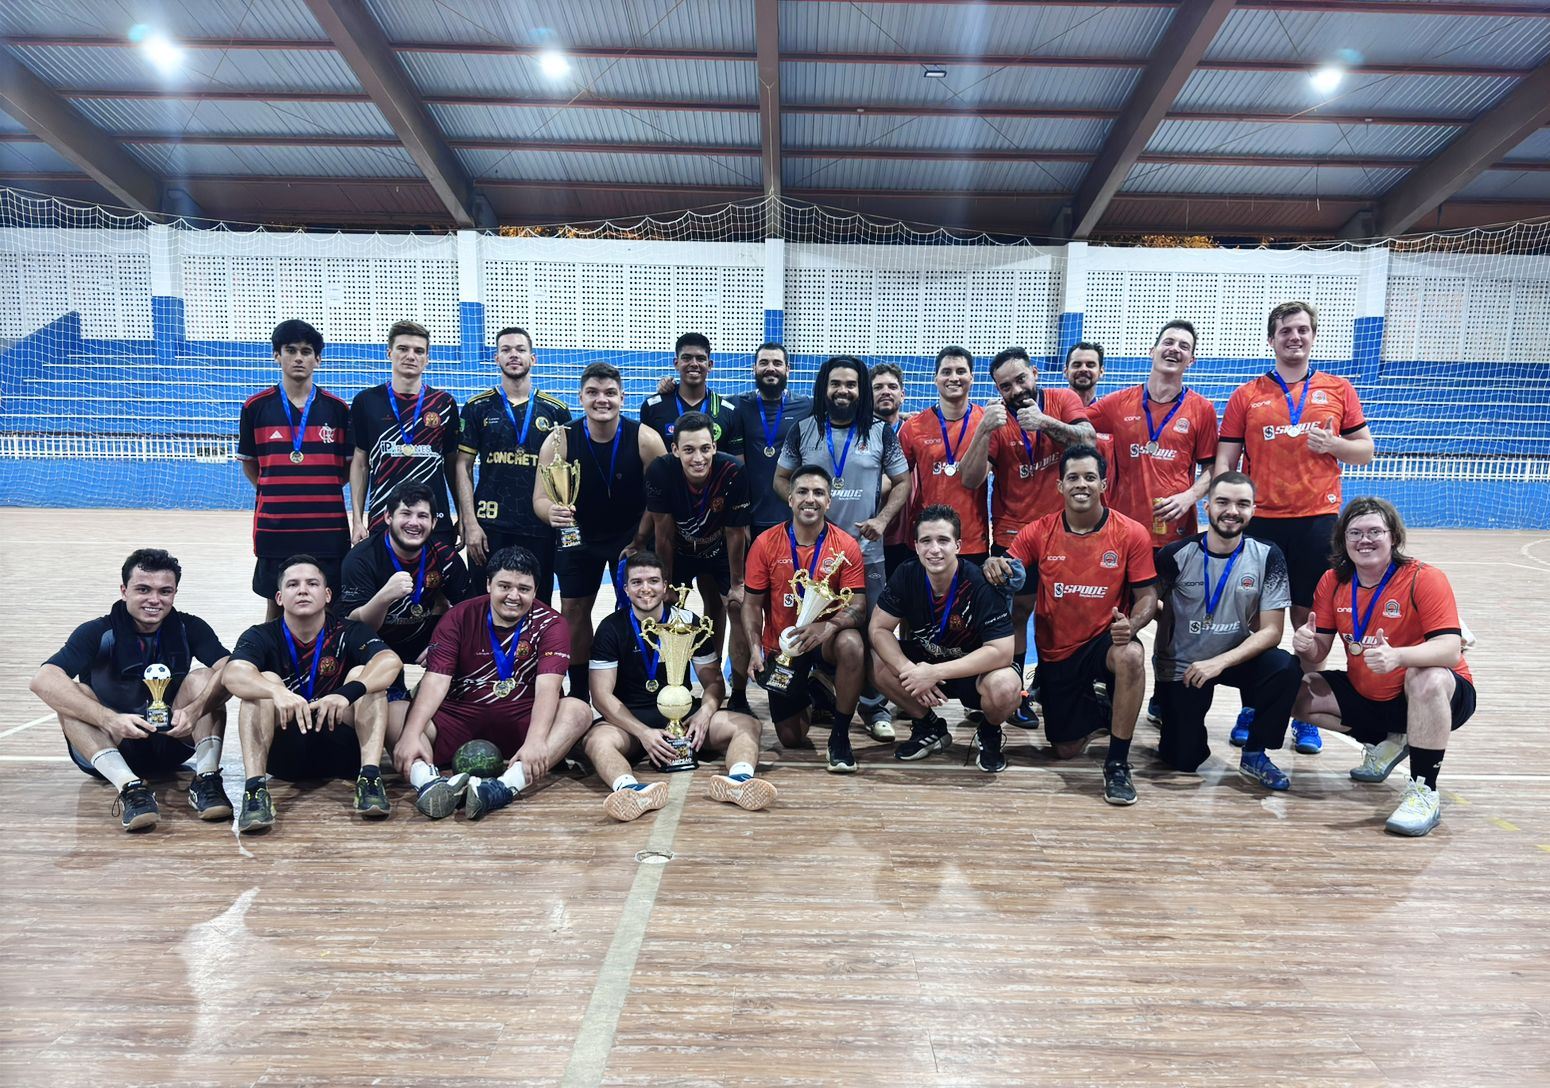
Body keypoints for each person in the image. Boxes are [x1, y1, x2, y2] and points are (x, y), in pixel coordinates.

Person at [1216, 301, 1376, 755]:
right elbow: (1227, 460)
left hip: (1317, 521)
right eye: (1286, 330)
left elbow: (1365, 450)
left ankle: (1304, 712)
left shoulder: (1338, 389)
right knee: (1253, 619)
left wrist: (1335, 443)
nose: (1295, 337)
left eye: (1303, 330)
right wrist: (1227, 506)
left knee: (1311, 621)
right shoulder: (1246, 395)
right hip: (1261, 520)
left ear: (1313, 337)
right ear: (1272, 339)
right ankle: (1254, 704)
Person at [1279, 498, 1475, 837]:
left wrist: (1399, 657)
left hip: (1439, 695)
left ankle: (1424, 791)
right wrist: (1307, 644)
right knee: (1291, 690)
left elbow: (1448, 650)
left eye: (1374, 531)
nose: (1364, 540)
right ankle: (1391, 741)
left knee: (1424, 677)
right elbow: (1321, 647)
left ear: (1393, 537)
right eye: (1355, 532)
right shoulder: (1332, 580)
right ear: (1343, 540)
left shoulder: (1424, 578)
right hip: (1371, 693)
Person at [985, 445, 1157, 805]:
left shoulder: (1131, 533)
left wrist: (1134, 625)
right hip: (1058, 651)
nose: (1082, 484)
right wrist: (994, 566)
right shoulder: (1038, 531)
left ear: (1104, 484)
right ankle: (1098, 710)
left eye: (1090, 477)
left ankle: (1117, 765)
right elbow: (1008, 564)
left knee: (1130, 657)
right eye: (1074, 478)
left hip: (1105, 640)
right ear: (1060, 486)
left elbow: (1147, 597)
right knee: (1064, 750)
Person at [32, 549, 233, 831]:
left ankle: (208, 779)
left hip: (172, 743)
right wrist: (108, 718)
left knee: (205, 678)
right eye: (143, 589)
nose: (154, 600)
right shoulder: (96, 632)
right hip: (113, 745)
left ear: (175, 593)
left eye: (165, 591)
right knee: (75, 695)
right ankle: (130, 788)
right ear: (124, 591)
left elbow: (233, 668)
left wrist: (194, 709)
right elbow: (43, 678)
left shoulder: (190, 627)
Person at [392, 546, 594, 821]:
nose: (514, 596)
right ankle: (429, 783)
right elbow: (436, 680)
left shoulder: (551, 624)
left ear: (536, 590)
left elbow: (548, 687)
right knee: (395, 714)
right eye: (504, 586)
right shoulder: (459, 617)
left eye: (524, 588)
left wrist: (535, 740)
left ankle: (504, 787)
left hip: (522, 725)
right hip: (458, 720)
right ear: (488, 584)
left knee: (578, 710)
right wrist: (411, 733)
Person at [775, 355, 910, 741]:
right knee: (806, 625)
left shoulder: (882, 432)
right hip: (813, 558)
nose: (843, 391)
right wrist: (806, 513)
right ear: (824, 387)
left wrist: (882, 521)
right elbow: (781, 479)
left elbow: (902, 483)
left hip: (866, 556)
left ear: (860, 390)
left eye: (851, 384)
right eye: (836, 383)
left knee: (868, 632)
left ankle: (872, 706)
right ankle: (815, 686)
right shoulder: (803, 429)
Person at [961, 346, 1096, 728]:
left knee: (1064, 613)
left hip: (1067, 532)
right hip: (1014, 535)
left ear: (1035, 373)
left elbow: (1088, 440)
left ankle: (1058, 687)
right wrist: (984, 429)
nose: (1016, 389)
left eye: (1021, 379)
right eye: (1006, 386)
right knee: (1017, 614)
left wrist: (1046, 423)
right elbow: (970, 479)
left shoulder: (1062, 399)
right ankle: (1018, 692)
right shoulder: (997, 421)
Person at [584, 552, 775, 821]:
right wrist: (644, 733)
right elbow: (601, 696)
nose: (646, 589)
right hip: (632, 721)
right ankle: (630, 790)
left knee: (748, 725)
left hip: (683, 718)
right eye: (637, 582)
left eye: (653, 581)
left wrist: (706, 712)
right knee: (597, 741)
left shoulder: (690, 622)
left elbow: (713, 681)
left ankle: (739, 781)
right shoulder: (611, 628)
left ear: (665, 586)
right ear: (625, 589)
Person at [225, 555, 403, 832]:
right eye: (293, 584)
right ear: (280, 597)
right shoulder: (260, 635)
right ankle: (255, 791)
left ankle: (370, 779)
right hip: (283, 755)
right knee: (262, 684)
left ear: (327, 594)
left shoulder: (350, 630)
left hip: (345, 752)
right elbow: (232, 674)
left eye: (312, 583)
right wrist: (276, 692)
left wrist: (346, 693)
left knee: (364, 678)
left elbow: (391, 662)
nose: (303, 590)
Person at [1152, 472, 1301, 777]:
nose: (1232, 511)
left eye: (1242, 504)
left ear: (1253, 510)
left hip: (1233, 658)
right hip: (1184, 666)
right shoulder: (1175, 555)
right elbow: (1146, 603)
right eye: (1223, 501)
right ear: (1207, 506)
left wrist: (1218, 662)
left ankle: (1256, 751)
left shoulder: (1268, 555)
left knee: (1284, 667)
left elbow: (1272, 631)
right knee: (1182, 760)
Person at [535, 362, 666, 700]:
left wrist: (640, 540)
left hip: (631, 537)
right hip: (578, 538)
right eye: (593, 392)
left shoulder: (646, 439)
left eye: (609, 393)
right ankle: (579, 694)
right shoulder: (559, 440)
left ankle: (635, 685)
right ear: (580, 397)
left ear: (623, 397)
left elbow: (662, 500)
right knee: (574, 612)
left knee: (640, 608)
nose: (601, 400)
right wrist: (552, 512)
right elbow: (538, 498)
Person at [869, 505, 1022, 772]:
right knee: (873, 659)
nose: (934, 549)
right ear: (916, 546)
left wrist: (933, 672)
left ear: (958, 545)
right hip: (925, 665)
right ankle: (929, 726)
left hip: (971, 671)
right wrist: (909, 670)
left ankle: (989, 730)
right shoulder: (906, 574)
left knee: (1006, 685)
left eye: (943, 540)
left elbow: (1002, 651)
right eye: (926, 541)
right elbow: (878, 629)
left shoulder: (979, 583)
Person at [741, 465, 869, 772]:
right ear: (790, 498)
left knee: (852, 643)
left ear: (829, 502)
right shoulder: (765, 543)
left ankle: (839, 737)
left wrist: (830, 625)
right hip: (784, 648)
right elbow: (751, 604)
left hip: (826, 641)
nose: (809, 499)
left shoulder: (845, 546)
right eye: (802, 492)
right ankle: (817, 689)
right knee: (791, 738)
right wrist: (755, 648)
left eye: (818, 493)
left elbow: (859, 604)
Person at [339, 481, 474, 746]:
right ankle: (395, 700)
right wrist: (384, 596)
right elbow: (353, 626)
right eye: (406, 514)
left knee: (470, 648)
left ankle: (429, 696)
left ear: (434, 522)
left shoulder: (444, 556)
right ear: (388, 517)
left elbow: (469, 613)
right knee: (394, 721)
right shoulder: (361, 558)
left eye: (423, 516)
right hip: (372, 644)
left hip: (421, 637)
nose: (414, 523)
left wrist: (443, 645)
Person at [238, 320, 351, 619]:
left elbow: (348, 468)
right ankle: (272, 662)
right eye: (290, 350)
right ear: (277, 355)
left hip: (327, 529)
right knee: (275, 604)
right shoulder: (255, 407)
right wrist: (274, 489)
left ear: (318, 359)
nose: (299, 357)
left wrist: (319, 489)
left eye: (306, 351)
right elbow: (251, 464)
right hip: (275, 528)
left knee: (329, 603)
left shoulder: (338, 409)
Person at [725, 341, 813, 713]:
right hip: (749, 526)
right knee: (742, 609)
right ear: (754, 368)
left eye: (777, 362)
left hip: (797, 528)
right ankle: (739, 692)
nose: (770, 368)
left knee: (803, 608)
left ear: (788, 369)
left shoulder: (808, 407)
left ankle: (806, 687)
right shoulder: (735, 405)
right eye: (764, 362)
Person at [454, 325, 572, 594]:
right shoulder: (477, 407)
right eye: (505, 350)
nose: (513, 355)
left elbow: (564, 474)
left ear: (533, 358)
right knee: (484, 601)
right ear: (497, 358)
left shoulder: (556, 411)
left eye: (520, 349)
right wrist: (470, 523)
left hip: (539, 525)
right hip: (489, 525)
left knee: (537, 601)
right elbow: (463, 466)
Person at [646, 410, 752, 669]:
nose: (698, 458)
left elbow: (735, 533)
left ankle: (733, 689)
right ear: (675, 449)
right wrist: (666, 583)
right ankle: (672, 681)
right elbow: (663, 534)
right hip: (679, 550)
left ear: (714, 446)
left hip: (719, 549)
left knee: (736, 607)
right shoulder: (660, 470)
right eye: (689, 449)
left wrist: (737, 583)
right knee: (668, 607)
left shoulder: (733, 470)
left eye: (705, 449)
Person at [348, 320, 460, 546]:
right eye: (403, 349)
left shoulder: (444, 403)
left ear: (427, 359)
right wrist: (358, 521)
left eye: (419, 351)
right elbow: (360, 463)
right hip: (384, 518)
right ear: (390, 353)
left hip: (434, 520)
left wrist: (464, 516)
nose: (411, 356)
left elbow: (452, 465)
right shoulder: (366, 401)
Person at [896, 347, 990, 564]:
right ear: (935, 379)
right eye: (946, 372)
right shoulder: (914, 426)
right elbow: (897, 480)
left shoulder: (986, 422)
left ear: (972, 378)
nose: (954, 377)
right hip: (926, 538)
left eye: (960, 371)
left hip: (972, 538)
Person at [640, 332, 741, 453]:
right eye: (686, 358)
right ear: (676, 364)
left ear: (709, 365)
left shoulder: (728, 412)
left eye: (700, 358)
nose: (694, 363)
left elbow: (736, 466)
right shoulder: (652, 407)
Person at [870, 362, 914, 578]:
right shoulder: (858, 435)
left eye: (892, 386)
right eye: (878, 387)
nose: (886, 391)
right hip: (869, 533)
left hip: (908, 536)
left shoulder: (915, 430)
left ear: (902, 394)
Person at [1063, 341, 1105, 408]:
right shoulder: (1051, 409)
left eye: (1090, 365)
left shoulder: (1107, 410)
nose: (1083, 369)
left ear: (1101, 372)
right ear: (1065, 371)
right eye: (1077, 365)